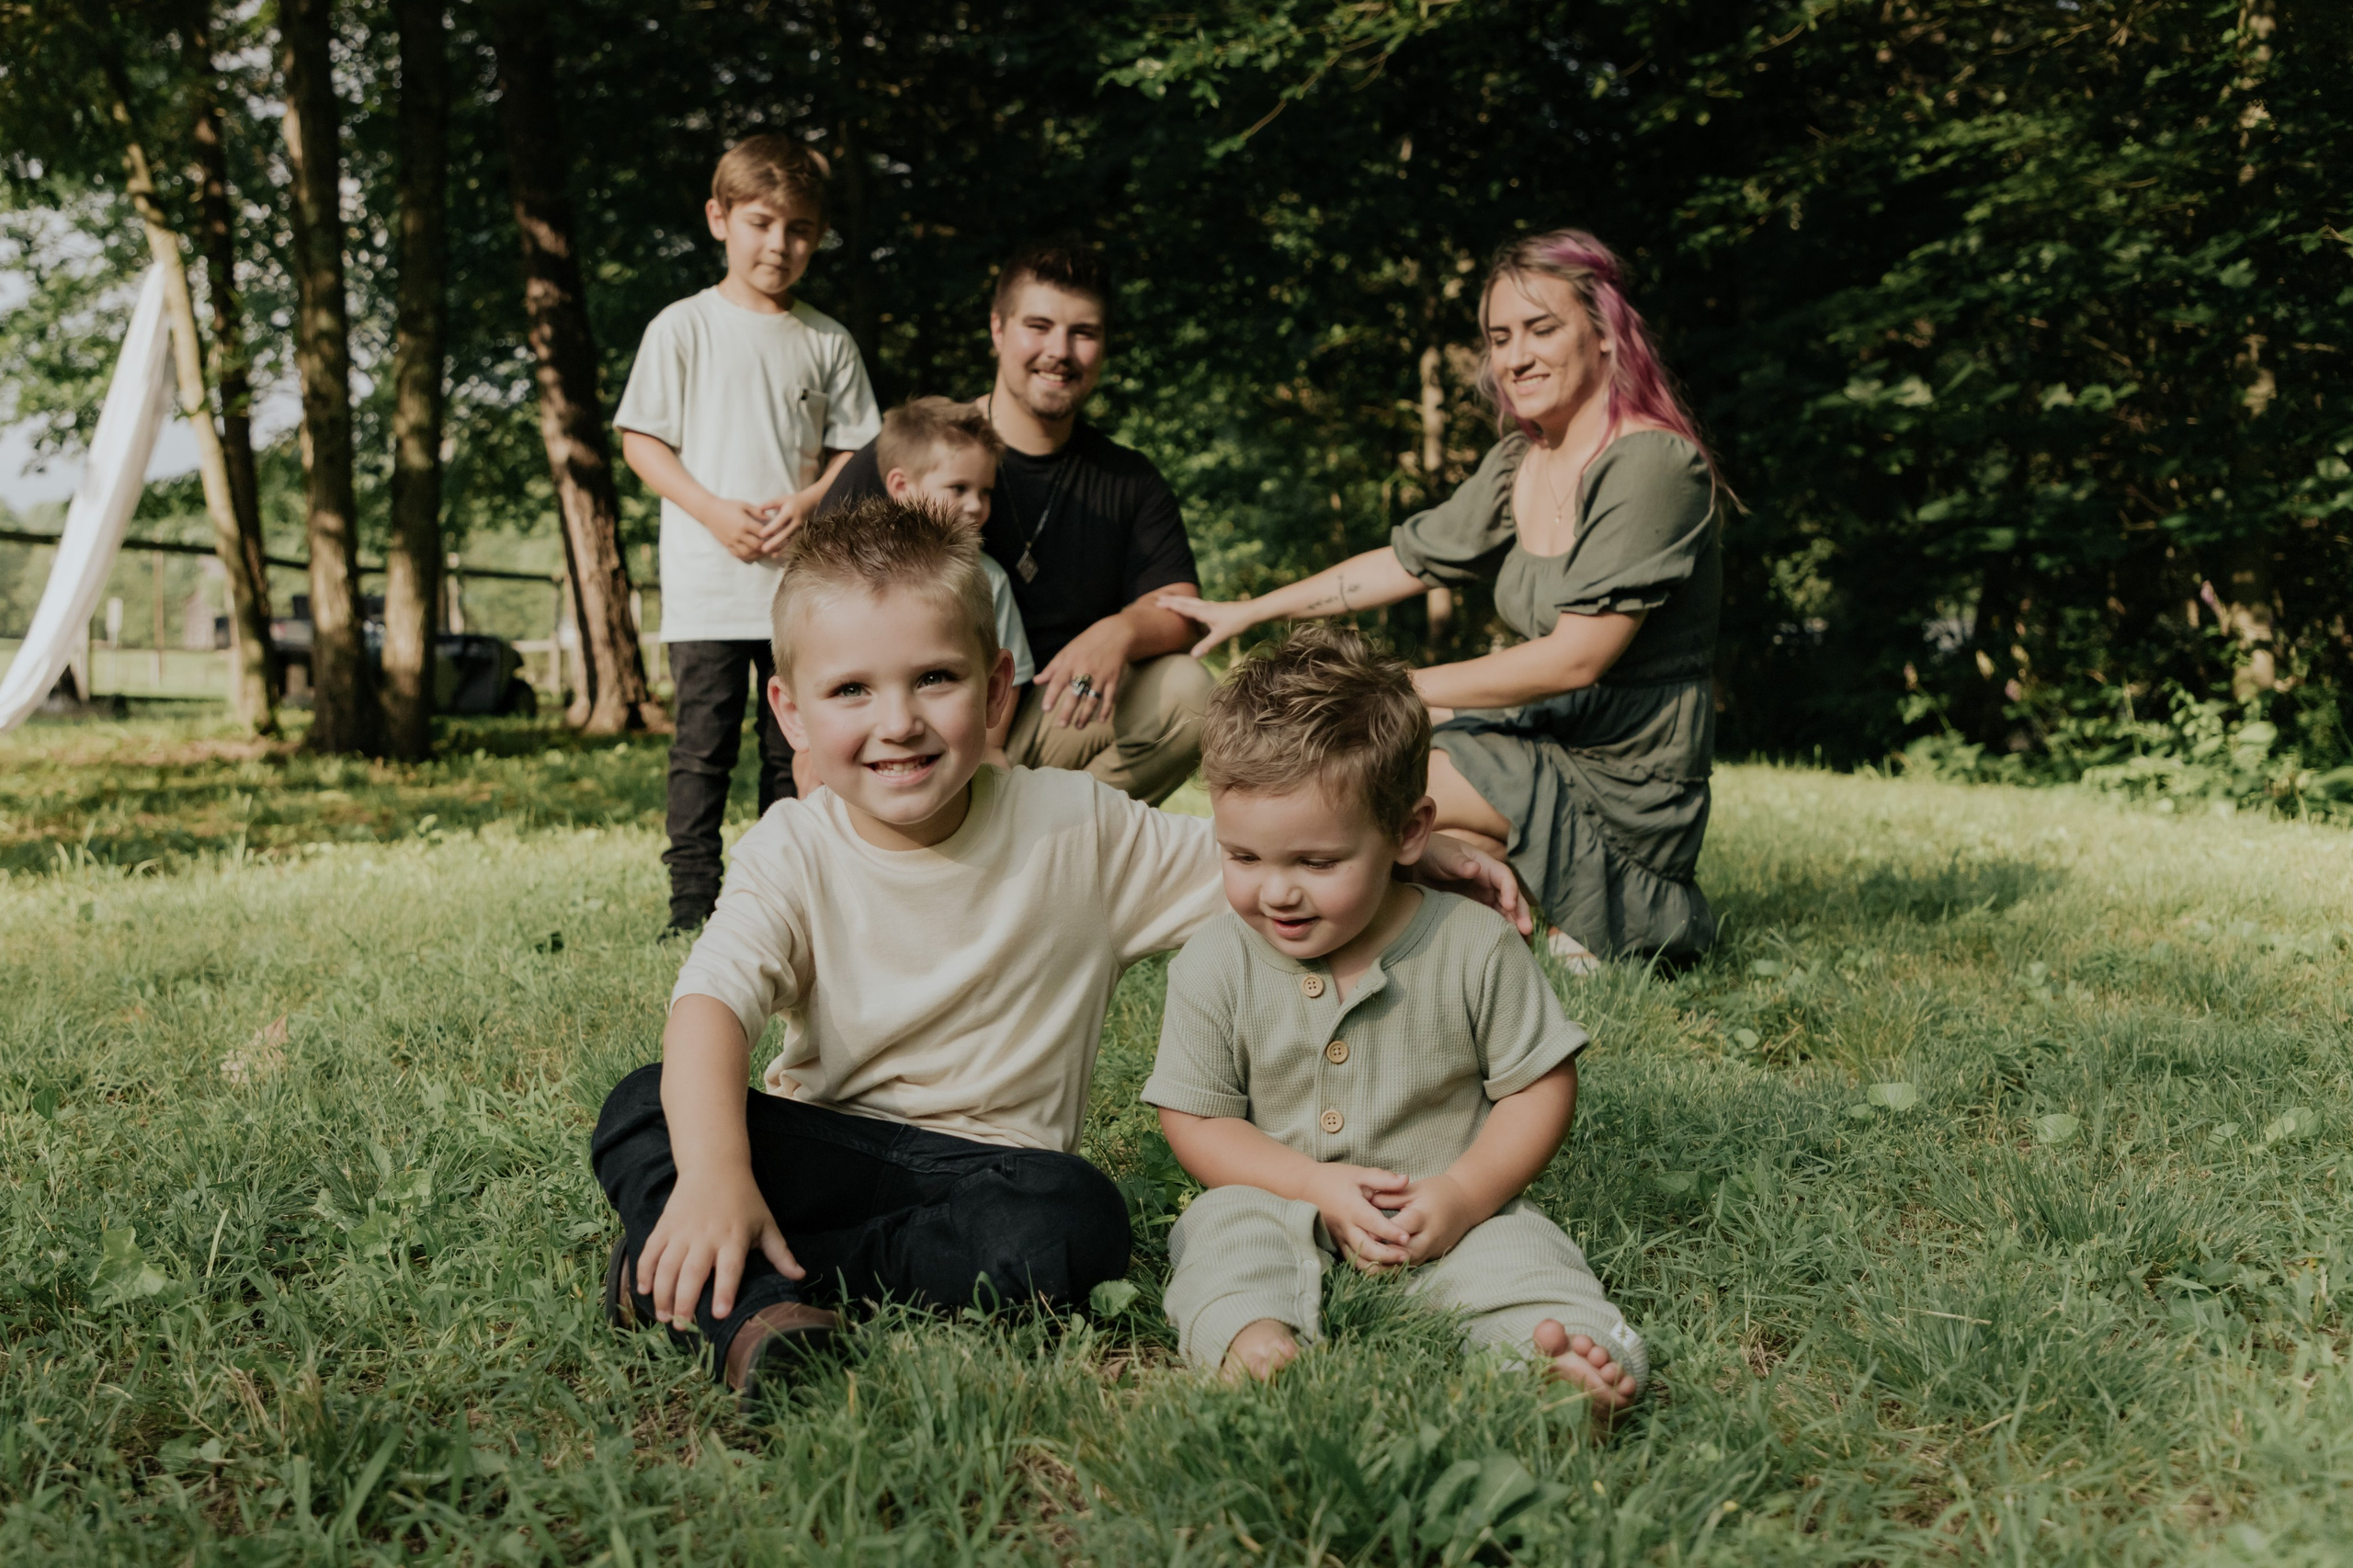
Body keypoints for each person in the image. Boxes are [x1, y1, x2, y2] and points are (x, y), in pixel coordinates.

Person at [589, 498, 1530, 1403]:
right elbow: (710, 1004)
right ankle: (741, 1291)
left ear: (998, 687)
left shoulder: (1075, 825)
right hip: (827, 1146)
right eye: (850, 690)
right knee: (646, 1104)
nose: (898, 720)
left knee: (1078, 1221)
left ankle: (693, 1268)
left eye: (934, 678)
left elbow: (1261, 869)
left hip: (998, 1176)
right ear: (792, 712)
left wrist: (1416, 851)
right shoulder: (793, 846)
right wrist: (717, 1171)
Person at [1163, 230, 1724, 970]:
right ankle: (1503, 894)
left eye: (1541, 329)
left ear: (1606, 335)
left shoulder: (1653, 463)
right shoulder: (1520, 462)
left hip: (1625, 771)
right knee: (1390, 806)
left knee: (1356, 777)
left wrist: (1388, 690)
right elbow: (1405, 561)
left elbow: (1575, 658)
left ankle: (1582, 904)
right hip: (1539, 739)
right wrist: (1255, 609)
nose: (1515, 356)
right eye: (1499, 337)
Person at [1142, 627, 1644, 1422]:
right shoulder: (1215, 961)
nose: (1276, 893)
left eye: (1316, 863)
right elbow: (1197, 1118)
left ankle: (1566, 1365)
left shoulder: (1470, 943)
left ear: (1410, 833)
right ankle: (1252, 1341)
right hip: (1279, 1195)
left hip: (1444, 1202)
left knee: (1524, 1253)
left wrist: (1463, 1194)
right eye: (1243, 858)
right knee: (1219, 1229)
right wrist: (1307, 1185)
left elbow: (1538, 1086)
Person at [818, 238, 1211, 804]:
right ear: (999, 330)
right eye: (1039, 326)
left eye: (1084, 333)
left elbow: (1182, 607)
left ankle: (1052, 837)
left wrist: (1118, 632)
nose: (1061, 350)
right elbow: (814, 601)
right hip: (908, 725)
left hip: (1050, 716)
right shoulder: (913, 456)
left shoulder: (1128, 480)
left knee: (1189, 693)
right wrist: (809, 750)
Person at [616, 133, 882, 934]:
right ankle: (691, 903)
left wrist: (809, 502)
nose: (780, 244)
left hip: (796, 593)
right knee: (702, 749)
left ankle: (778, 893)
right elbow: (641, 440)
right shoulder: (682, 328)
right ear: (719, 219)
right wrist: (711, 509)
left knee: (790, 749)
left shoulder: (826, 339)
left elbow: (859, 449)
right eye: (762, 222)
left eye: (800, 228)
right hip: (707, 588)